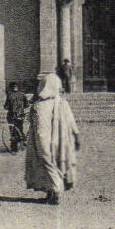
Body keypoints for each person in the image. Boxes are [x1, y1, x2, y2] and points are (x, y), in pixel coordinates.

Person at [25, 71, 80, 205]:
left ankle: (55, 191)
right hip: (60, 140)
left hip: (44, 140)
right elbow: (71, 121)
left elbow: (40, 129)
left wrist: (39, 145)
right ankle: (50, 191)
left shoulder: (40, 105)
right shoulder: (61, 103)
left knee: (47, 163)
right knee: (56, 163)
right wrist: (76, 135)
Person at [5, 80, 30, 151]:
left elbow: (6, 106)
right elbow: (27, 104)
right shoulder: (22, 94)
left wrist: (8, 107)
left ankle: (15, 147)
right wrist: (21, 109)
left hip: (12, 115)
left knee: (13, 131)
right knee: (19, 129)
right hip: (20, 115)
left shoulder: (10, 95)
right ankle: (21, 145)